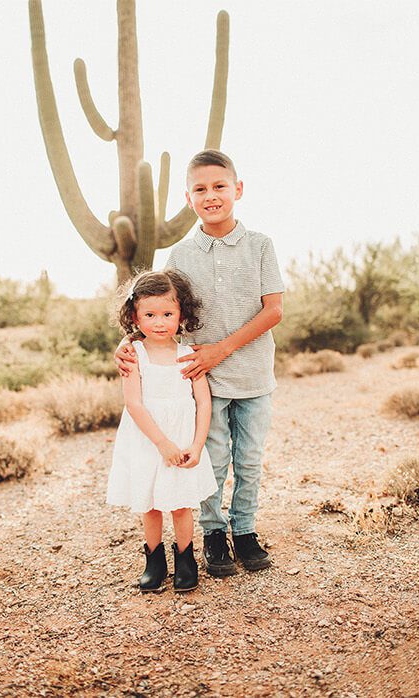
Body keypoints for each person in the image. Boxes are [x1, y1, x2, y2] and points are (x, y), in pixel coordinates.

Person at [117, 149, 286, 578]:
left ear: (238, 190)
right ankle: (213, 534)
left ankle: (244, 532)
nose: (211, 196)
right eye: (200, 189)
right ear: (188, 198)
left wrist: (222, 349)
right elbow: (156, 304)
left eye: (219, 187)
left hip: (252, 376)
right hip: (200, 380)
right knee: (211, 458)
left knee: (248, 459)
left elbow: (273, 311)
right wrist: (128, 341)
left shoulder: (260, 245)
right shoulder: (181, 255)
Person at [106, 270, 220, 594]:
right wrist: (162, 444)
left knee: (181, 502)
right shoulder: (133, 355)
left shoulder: (188, 354)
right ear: (135, 316)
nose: (160, 322)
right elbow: (134, 404)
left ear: (181, 313)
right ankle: (153, 560)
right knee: (151, 502)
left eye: (168, 314)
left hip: (182, 439)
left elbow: (203, 403)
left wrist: (196, 446)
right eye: (150, 315)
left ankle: (186, 559)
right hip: (147, 440)